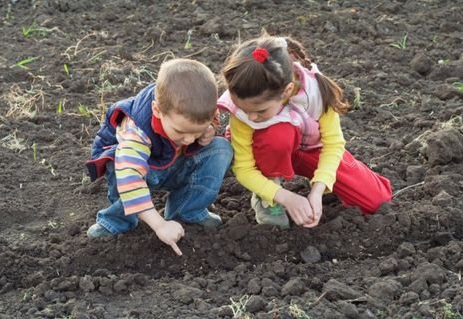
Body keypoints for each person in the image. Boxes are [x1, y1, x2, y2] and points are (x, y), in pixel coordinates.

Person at [218, 35, 392, 229]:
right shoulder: (245, 101)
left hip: (311, 149)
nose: (251, 117)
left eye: (260, 111)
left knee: (377, 201)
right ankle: (267, 195)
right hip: (269, 152)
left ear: (287, 90)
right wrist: (284, 196)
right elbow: (243, 168)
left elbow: (333, 145)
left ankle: (323, 183)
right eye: (244, 110)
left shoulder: (317, 93)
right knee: (277, 135)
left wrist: (318, 190)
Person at [86, 58, 233, 255]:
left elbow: (209, 121)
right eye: (181, 131)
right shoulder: (137, 129)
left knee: (221, 148)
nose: (189, 139)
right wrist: (160, 225)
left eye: (195, 131)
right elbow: (130, 178)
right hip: (141, 171)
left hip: (176, 162)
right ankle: (118, 221)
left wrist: (208, 132)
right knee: (118, 163)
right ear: (157, 110)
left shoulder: (198, 111)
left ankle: (186, 210)